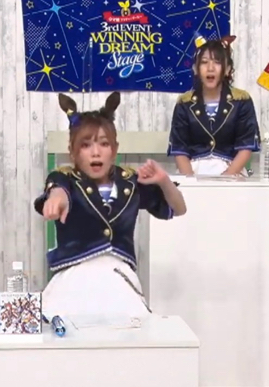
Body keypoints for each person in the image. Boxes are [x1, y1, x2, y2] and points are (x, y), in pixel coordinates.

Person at [37, 93, 188, 320]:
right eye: (85, 145)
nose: (96, 152)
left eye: (104, 144)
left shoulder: (131, 182)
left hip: (119, 280)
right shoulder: (65, 179)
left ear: (115, 150)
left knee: (125, 332)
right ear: (73, 152)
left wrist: (164, 181)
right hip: (75, 280)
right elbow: (58, 190)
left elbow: (179, 209)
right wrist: (57, 198)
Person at [167, 36, 261, 176]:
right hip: (193, 171)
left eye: (217, 62)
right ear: (196, 69)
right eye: (204, 62)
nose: (210, 68)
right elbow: (180, 149)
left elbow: (246, 146)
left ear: (227, 69)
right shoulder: (184, 103)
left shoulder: (241, 100)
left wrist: (227, 177)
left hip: (232, 171)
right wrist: (191, 181)